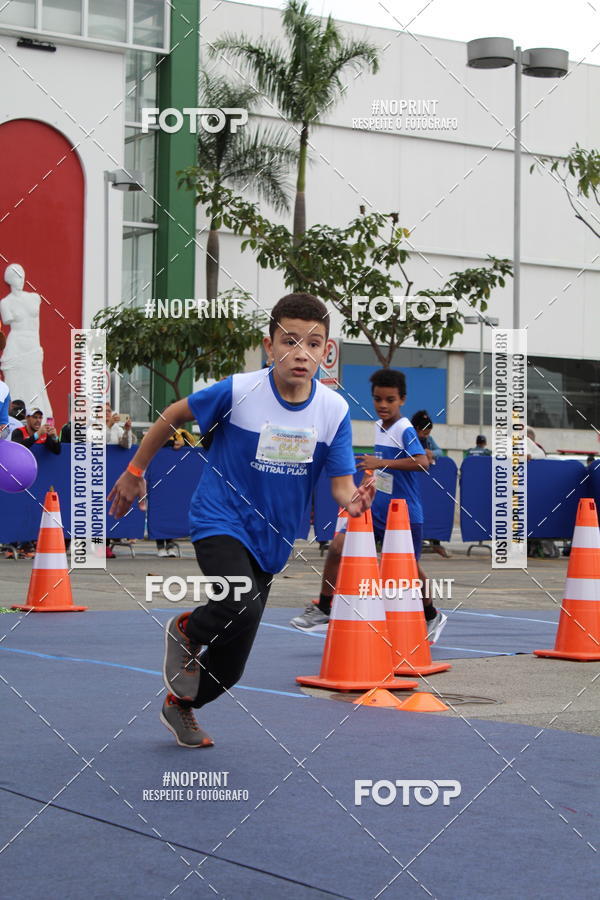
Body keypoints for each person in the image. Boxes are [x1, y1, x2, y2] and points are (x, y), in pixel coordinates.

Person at [108, 293, 375, 748]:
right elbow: (174, 413)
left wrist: (352, 502)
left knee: (231, 668)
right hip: (220, 518)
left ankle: (181, 706)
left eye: (314, 344)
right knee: (239, 602)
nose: (301, 353)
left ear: (327, 352)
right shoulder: (240, 390)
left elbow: (340, 486)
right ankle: (187, 629)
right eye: (289, 341)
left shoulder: (333, 413)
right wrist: (135, 472)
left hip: (272, 541)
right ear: (268, 346)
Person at [291, 369, 447, 643]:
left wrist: (380, 464)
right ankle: (325, 606)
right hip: (375, 508)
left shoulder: (404, 428)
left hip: (404, 513)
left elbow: (422, 463)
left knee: (408, 570)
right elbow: (382, 471)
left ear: (402, 400)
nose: (383, 405)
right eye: (377, 399)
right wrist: (370, 479)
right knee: (337, 546)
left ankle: (431, 613)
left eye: (390, 399)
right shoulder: (379, 426)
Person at [410, 410, 450, 558]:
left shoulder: (429, 440)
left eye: (428, 433)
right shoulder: (409, 437)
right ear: (416, 429)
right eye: (424, 433)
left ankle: (434, 541)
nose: (426, 436)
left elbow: (440, 452)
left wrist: (432, 453)